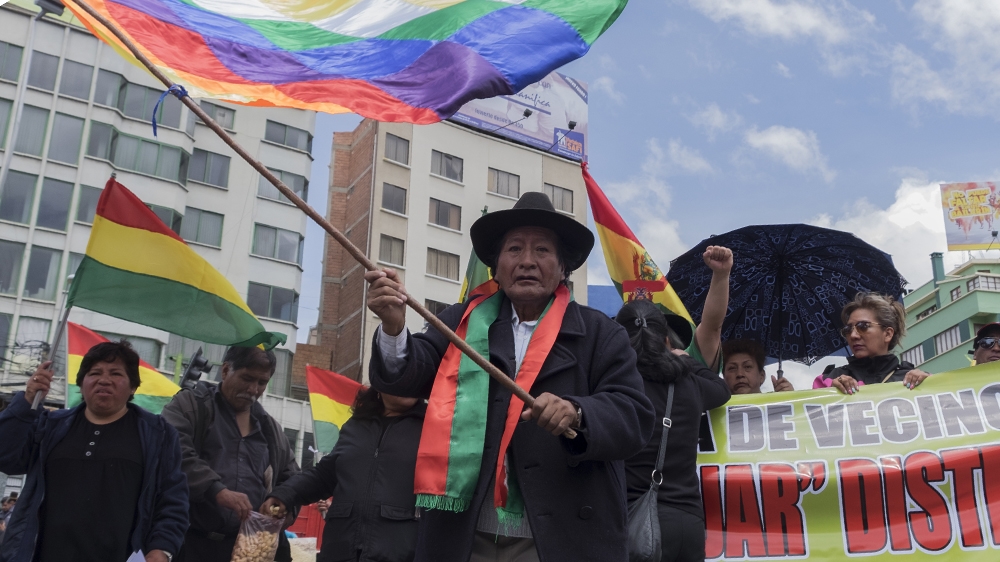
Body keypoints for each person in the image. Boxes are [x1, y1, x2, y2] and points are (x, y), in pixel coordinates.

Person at [365, 191, 655, 562]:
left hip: (561, 536)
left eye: (542, 251)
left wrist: (578, 413)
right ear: (497, 267)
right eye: (515, 249)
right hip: (465, 534)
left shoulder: (602, 333)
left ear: (563, 266)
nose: (527, 261)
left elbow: (633, 415)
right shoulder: (460, 322)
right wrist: (393, 327)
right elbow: (406, 376)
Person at [0, 342, 188, 562]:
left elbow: (173, 499)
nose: (104, 380)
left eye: (116, 373)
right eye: (94, 373)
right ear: (81, 384)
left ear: (133, 387)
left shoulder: (158, 434)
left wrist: (161, 549)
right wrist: (26, 402)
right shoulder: (50, 425)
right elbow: (7, 458)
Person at [161, 346, 300, 562]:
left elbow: (293, 479)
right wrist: (217, 490)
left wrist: (283, 504)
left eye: (262, 383)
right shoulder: (189, 406)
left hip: (253, 550)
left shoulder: (270, 428)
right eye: (247, 378)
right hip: (193, 545)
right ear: (225, 370)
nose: (253, 389)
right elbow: (174, 452)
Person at [619, 298, 731, 562]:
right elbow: (721, 390)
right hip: (687, 525)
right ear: (666, 340)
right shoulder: (689, 385)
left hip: (634, 524)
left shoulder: (616, 386)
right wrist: (684, 360)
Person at [260, 388, 425, 562]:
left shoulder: (433, 427)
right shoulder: (356, 425)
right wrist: (285, 494)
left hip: (398, 553)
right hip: (339, 551)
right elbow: (325, 475)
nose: (411, 382)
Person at [815, 292, 930, 394]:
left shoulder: (912, 380)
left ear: (888, 334)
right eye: (848, 329)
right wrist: (829, 392)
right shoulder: (829, 380)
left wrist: (929, 383)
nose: (853, 335)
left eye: (863, 326)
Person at [722, 339, 794, 394]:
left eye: (747, 367)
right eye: (732, 368)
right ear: (724, 377)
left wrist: (790, 401)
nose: (740, 374)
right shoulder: (713, 410)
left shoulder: (777, 405)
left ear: (761, 376)